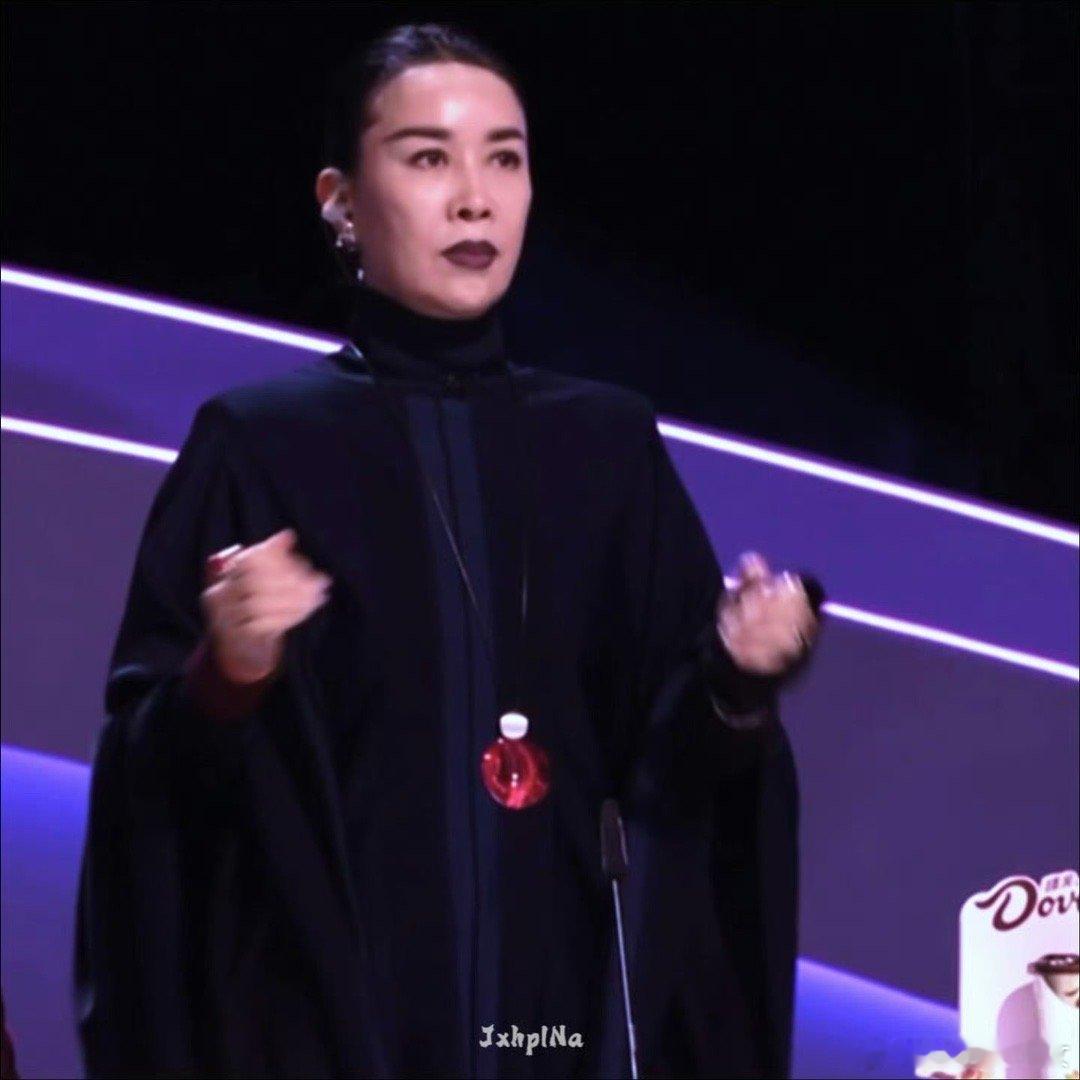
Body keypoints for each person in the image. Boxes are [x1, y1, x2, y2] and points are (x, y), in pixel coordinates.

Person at [74, 22, 821, 1080]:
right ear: (340, 201)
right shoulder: (260, 446)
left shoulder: (607, 447)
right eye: (429, 158)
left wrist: (737, 681)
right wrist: (226, 675)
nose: (476, 199)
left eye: (504, 159)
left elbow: (681, 790)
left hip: (554, 1035)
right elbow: (147, 798)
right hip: (334, 1038)